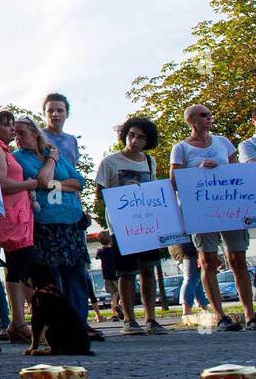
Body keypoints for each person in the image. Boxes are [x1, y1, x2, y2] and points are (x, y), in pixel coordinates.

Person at [13, 118, 103, 342]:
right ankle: (58, 327)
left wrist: (56, 183)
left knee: (76, 274)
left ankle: (79, 324)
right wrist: (52, 161)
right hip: (46, 224)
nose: (18, 138)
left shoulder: (53, 154)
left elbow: (78, 182)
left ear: (34, 133)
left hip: (70, 222)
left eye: (22, 133)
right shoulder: (20, 158)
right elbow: (42, 180)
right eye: (15, 134)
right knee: (52, 278)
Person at [169, 104, 256, 331]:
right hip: (202, 212)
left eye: (209, 114)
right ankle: (220, 315)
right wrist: (198, 169)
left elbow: (239, 172)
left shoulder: (223, 142)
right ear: (190, 120)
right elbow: (174, 182)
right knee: (207, 261)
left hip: (229, 208)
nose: (209, 117)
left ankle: (250, 314)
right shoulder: (180, 148)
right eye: (204, 115)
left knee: (238, 259)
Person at [94, 116, 169, 335]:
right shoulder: (111, 162)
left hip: (146, 222)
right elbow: (100, 194)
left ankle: (151, 318)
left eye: (141, 137)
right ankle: (128, 319)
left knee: (148, 269)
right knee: (126, 272)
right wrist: (124, 189)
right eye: (131, 135)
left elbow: (154, 188)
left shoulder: (149, 161)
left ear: (148, 141)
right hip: (122, 225)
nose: (134, 140)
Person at [0, 110, 40, 343]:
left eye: (13, 124)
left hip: (17, 214)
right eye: (6, 125)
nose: (12, 128)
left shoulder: (6, 151)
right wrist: (29, 183)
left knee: (16, 267)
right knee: (29, 265)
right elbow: (2, 183)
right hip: (7, 216)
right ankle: (28, 322)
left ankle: (18, 323)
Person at [168, 241, 209, 326]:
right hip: (188, 249)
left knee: (195, 280)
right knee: (191, 278)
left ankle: (204, 309)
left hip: (176, 248)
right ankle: (186, 312)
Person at [41, 93, 80, 169]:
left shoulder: (72, 140)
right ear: (44, 114)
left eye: (60, 110)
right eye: (50, 111)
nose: (55, 114)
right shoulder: (36, 137)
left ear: (67, 114)